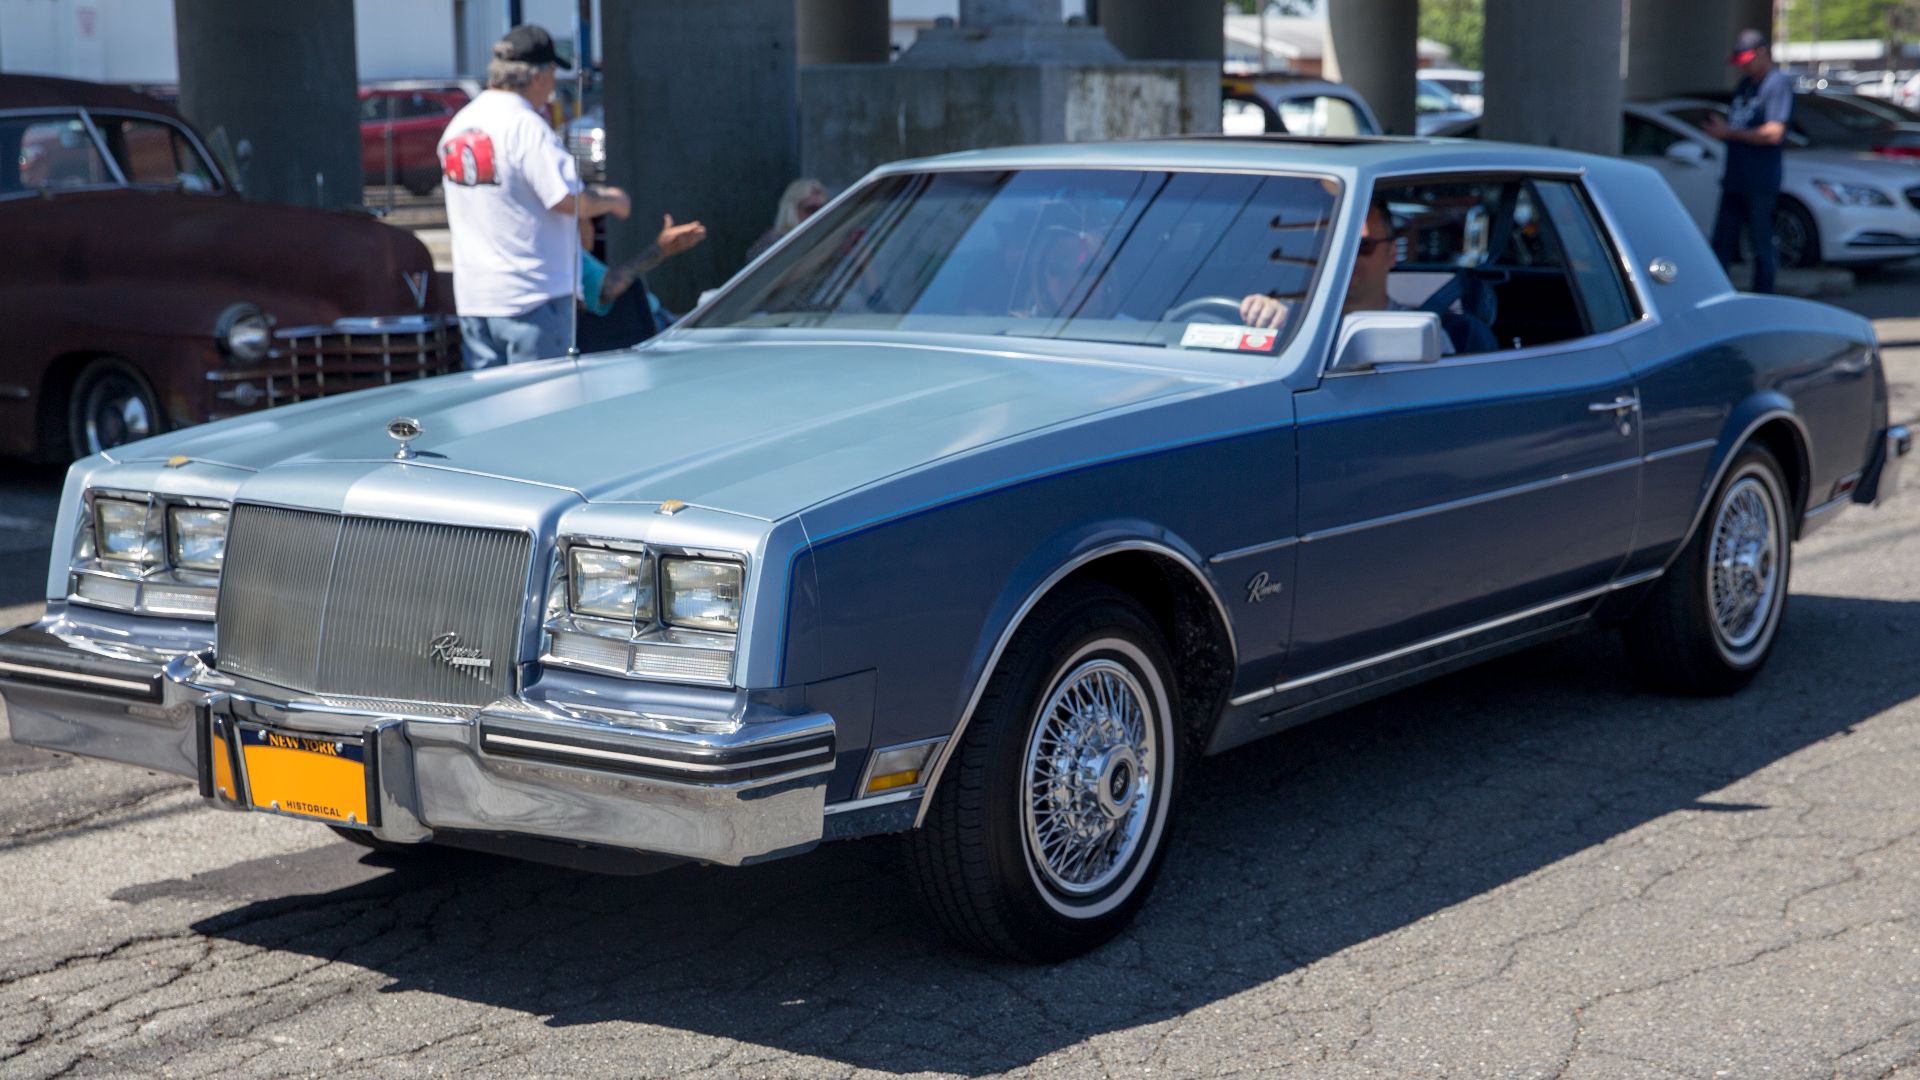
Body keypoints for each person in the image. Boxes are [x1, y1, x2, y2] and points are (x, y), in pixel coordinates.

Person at [438, 25, 633, 369]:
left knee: (490, 402)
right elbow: (566, 198)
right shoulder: (526, 126)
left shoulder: (460, 124)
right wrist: (612, 200)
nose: (553, 85)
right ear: (538, 75)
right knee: (541, 401)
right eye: (553, 73)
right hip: (533, 298)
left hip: (475, 299)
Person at [1238, 199, 1496, 355]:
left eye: (1363, 247)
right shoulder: (1292, 322)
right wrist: (1267, 317)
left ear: (1392, 253)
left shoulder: (1426, 334)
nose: (1347, 259)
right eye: (1335, 247)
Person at [1703, 29, 1792, 294]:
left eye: (1747, 60)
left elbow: (1774, 133)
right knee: (1722, 243)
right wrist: (1723, 129)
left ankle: (1764, 299)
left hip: (1759, 181)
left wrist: (1728, 133)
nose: (1743, 66)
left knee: (1761, 244)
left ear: (1762, 53)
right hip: (1735, 178)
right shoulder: (1745, 86)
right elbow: (1740, 125)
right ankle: (1718, 298)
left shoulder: (1776, 85)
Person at [576, 213, 708, 352]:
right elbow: (607, 290)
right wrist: (659, 250)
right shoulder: (573, 259)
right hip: (649, 334)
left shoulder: (580, 256)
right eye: (585, 220)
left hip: (660, 319)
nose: (591, 228)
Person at [744, 178, 828, 263]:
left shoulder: (826, 238)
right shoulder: (773, 245)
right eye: (812, 209)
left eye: (822, 209)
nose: (818, 215)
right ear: (791, 210)